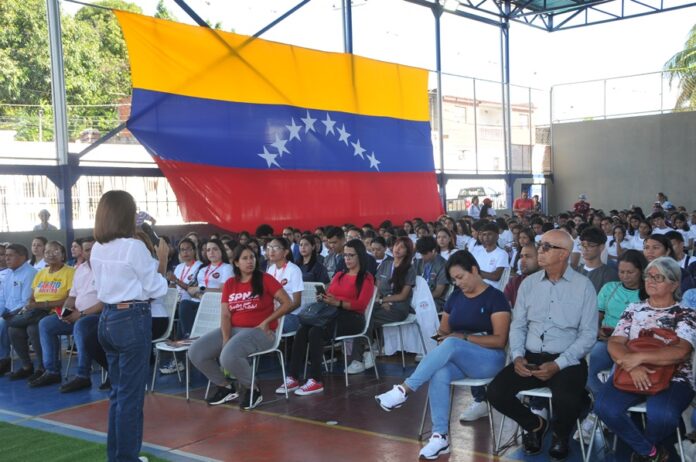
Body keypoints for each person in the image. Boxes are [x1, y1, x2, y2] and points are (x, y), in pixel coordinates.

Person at [374, 250, 511, 460]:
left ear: (474, 270)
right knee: (440, 372)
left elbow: (500, 340)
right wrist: (445, 338)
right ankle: (440, 436)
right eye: (454, 279)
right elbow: (443, 332)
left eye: (460, 277)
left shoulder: (496, 297)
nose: (457, 283)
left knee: (454, 343)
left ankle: (404, 390)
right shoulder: (455, 297)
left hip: (489, 359)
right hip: (459, 358)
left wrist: (462, 339)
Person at [486, 230, 597, 461]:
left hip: (566, 359)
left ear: (564, 254)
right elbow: (518, 325)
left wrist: (558, 364)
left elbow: (588, 335)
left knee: (566, 398)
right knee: (496, 392)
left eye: (548, 247)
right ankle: (536, 425)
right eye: (540, 245)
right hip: (530, 357)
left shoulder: (583, 286)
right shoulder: (529, 284)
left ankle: (560, 434)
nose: (541, 251)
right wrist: (517, 356)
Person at [91, 190, 169, 462]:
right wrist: (161, 262)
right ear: (126, 214)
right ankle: (127, 458)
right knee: (131, 397)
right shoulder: (134, 246)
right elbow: (156, 288)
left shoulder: (98, 247)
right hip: (132, 318)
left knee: (117, 393)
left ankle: (117, 456)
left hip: (107, 319)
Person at [594, 257, 696, 462]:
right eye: (649, 276)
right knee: (604, 407)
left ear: (674, 283)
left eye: (659, 277)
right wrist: (631, 366)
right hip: (630, 371)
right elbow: (615, 343)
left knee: (663, 415)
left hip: (674, 377)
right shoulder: (634, 309)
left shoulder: (685, 313)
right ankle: (650, 452)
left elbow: (681, 352)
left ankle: (644, 449)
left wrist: (638, 358)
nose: (651, 281)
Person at [189, 244, 293, 409]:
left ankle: (253, 389)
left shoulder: (265, 279)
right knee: (196, 352)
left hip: (260, 332)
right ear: (236, 263)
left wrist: (267, 321)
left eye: (252, 257)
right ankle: (225, 387)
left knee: (228, 356)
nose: (250, 261)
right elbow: (225, 314)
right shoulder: (230, 283)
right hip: (235, 329)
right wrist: (225, 338)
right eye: (245, 258)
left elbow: (288, 303)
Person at [276, 239, 376, 396]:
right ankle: (293, 377)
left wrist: (337, 302)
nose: (347, 259)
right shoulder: (339, 275)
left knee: (315, 331)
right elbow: (331, 292)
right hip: (331, 313)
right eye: (345, 255)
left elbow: (360, 304)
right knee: (303, 330)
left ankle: (316, 380)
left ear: (360, 256)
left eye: (351, 255)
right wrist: (324, 297)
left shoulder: (366, 278)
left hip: (353, 318)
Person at [577, 249, 648, 440]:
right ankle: (605, 408)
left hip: (633, 344)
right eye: (621, 272)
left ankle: (599, 411)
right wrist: (598, 329)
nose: (624, 276)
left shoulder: (647, 293)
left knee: (619, 370)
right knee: (587, 367)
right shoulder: (610, 288)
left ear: (641, 271)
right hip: (606, 340)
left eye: (630, 272)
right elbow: (597, 316)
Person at [32, 237, 102, 390]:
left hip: (97, 316)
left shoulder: (105, 269)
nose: (92, 253)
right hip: (77, 314)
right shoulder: (80, 270)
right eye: (88, 249)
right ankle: (52, 371)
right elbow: (72, 296)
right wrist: (65, 313)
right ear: (82, 252)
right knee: (45, 324)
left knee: (81, 325)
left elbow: (104, 302)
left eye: (94, 249)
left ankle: (83, 375)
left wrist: (80, 314)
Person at [348, 236, 416, 374]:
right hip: (380, 305)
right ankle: (367, 350)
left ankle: (360, 357)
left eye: (402, 247)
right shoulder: (385, 264)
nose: (398, 249)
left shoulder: (410, 269)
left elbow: (403, 295)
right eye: (397, 245)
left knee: (366, 319)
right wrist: (380, 300)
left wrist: (383, 300)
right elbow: (376, 289)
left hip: (398, 308)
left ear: (408, 251)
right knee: (362, 317)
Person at [9, 241, 74, 381]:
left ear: (63, 255)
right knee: (14, 330)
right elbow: (31, 298)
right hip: (37, 311)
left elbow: (69, 299)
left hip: (54, 311)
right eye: (47, 252)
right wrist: (34, 305)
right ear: (43, 256)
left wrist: (44, 304)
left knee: (33, 328)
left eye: (55, 251)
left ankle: (43, 367)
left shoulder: (70, 272)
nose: (51, 254)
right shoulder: (41, 273)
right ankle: (27, 366)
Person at [177, 239, 233, 340]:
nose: (211, 252)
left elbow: (223, 290)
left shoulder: (227, 268)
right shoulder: (203, 269)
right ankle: (186, 338)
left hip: (215, 304)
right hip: (199, 302)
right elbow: (191, 290)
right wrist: (199, 294)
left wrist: (201, 289)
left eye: (215, 249)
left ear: (221, 251)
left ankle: (189, 339)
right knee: (184, 306)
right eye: (208, 250)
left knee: (185, 307)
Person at [0, 244, 37, 376]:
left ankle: (3, 359)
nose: (6, 258)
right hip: (10, 312)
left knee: (3, 324)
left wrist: (8, 314)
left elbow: (25, 301)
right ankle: (24, 365)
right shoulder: (9, 273)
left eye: (10, 255)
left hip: (24, 312)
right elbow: (4, 298)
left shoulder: (30, 273)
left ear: (22, 257)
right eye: (5, 255)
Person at [265, 237, 303, 334]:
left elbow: (297, 302)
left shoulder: (294, 270)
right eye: (269, 247)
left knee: (265, 327)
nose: (271, 251)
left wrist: (276, 314)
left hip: (291, 315)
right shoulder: (270, 269)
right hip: (273, 313)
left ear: (286, 252)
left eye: (276, 248)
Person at [576, 226, 619, 293]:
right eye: (582, 244)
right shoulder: (575, 271)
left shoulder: (610, 275)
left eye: (590, 245)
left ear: (601, 247)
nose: (585, 248)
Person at [413, 236, 449, 312]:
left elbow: (438, 292)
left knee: (421, 309)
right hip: (417, 297)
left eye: (424, 254)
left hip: (435, 300)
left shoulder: (443, 265)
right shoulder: (418, 262)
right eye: (420, 253)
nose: (421, 256)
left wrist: (421, 299)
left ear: (433, 251)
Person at [470, 222, 510, 290]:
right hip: (475, 286)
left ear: (497, 236)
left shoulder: (502, 253)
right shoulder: (478, 252)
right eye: (484, 235)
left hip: (491, 289)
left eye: (490, 234)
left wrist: (478, 272)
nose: (486, 237)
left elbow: (496, 276)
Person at [503, 243, 539, 307]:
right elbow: (504, 308)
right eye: (521, 256)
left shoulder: (550, 283)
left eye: (528, 256)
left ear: (540, 258)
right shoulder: (514, 282)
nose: (522, 261)